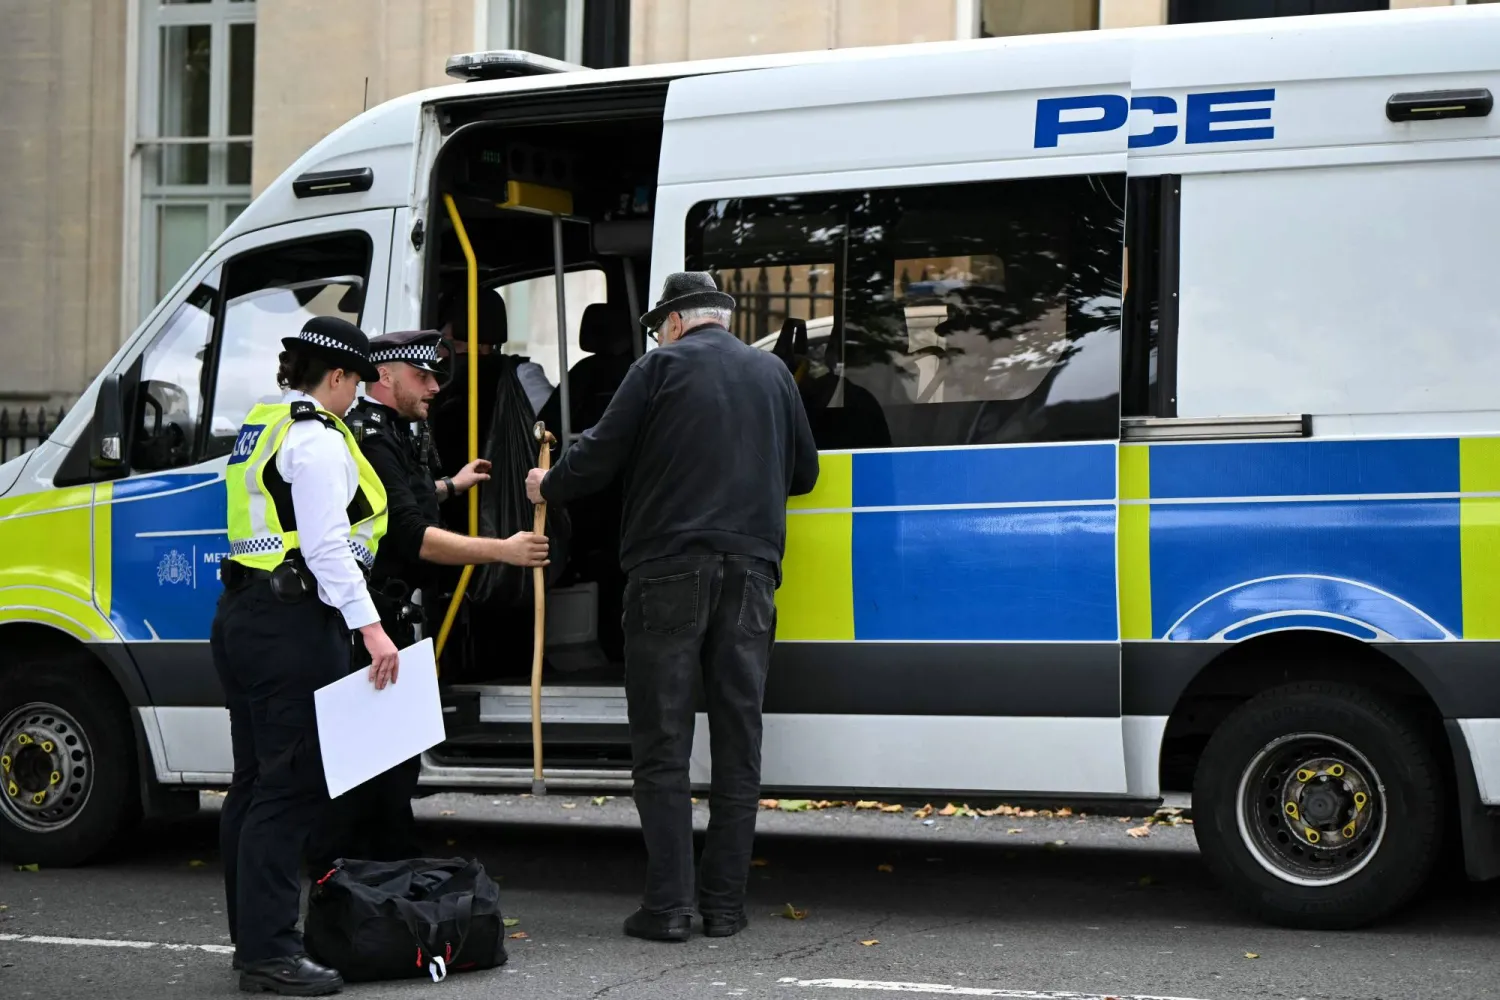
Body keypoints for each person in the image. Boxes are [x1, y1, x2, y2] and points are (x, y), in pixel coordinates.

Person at [525, 272, 819, 942]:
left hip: (666, 573)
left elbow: (597, 458)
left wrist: (550, 481)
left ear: (678, 322)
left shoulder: (657, 368)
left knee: (662, 746)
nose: (659, 336)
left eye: (661, 326)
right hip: (751, 574)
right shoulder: (773, 374)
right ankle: (724, 907)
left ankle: (668, 908)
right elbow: (804, 475)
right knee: (739, 748)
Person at [306, 329, 551, 871]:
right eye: (423, 376)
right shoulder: (370, 434)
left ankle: (386, 873)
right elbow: (409, 535)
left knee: (393, 763)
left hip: (394, 614)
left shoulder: (398, 428)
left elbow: (399, 501)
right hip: (369, 621)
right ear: (385, 376)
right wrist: (503, 551)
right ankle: (354, 879)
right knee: (368, 769)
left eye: (438, 376)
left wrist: (450, 486)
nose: (436, 386)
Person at [214, 316, 401, 996]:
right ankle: (270, 955)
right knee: (286, 790)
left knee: (254, 784)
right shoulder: (317, 441)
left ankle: (253, 938)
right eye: (358, 384)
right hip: (290, 624)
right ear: (340, 376)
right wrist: (372, 627)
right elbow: (324, 548)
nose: (358, 398)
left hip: (243, 615)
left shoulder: (263, 424)